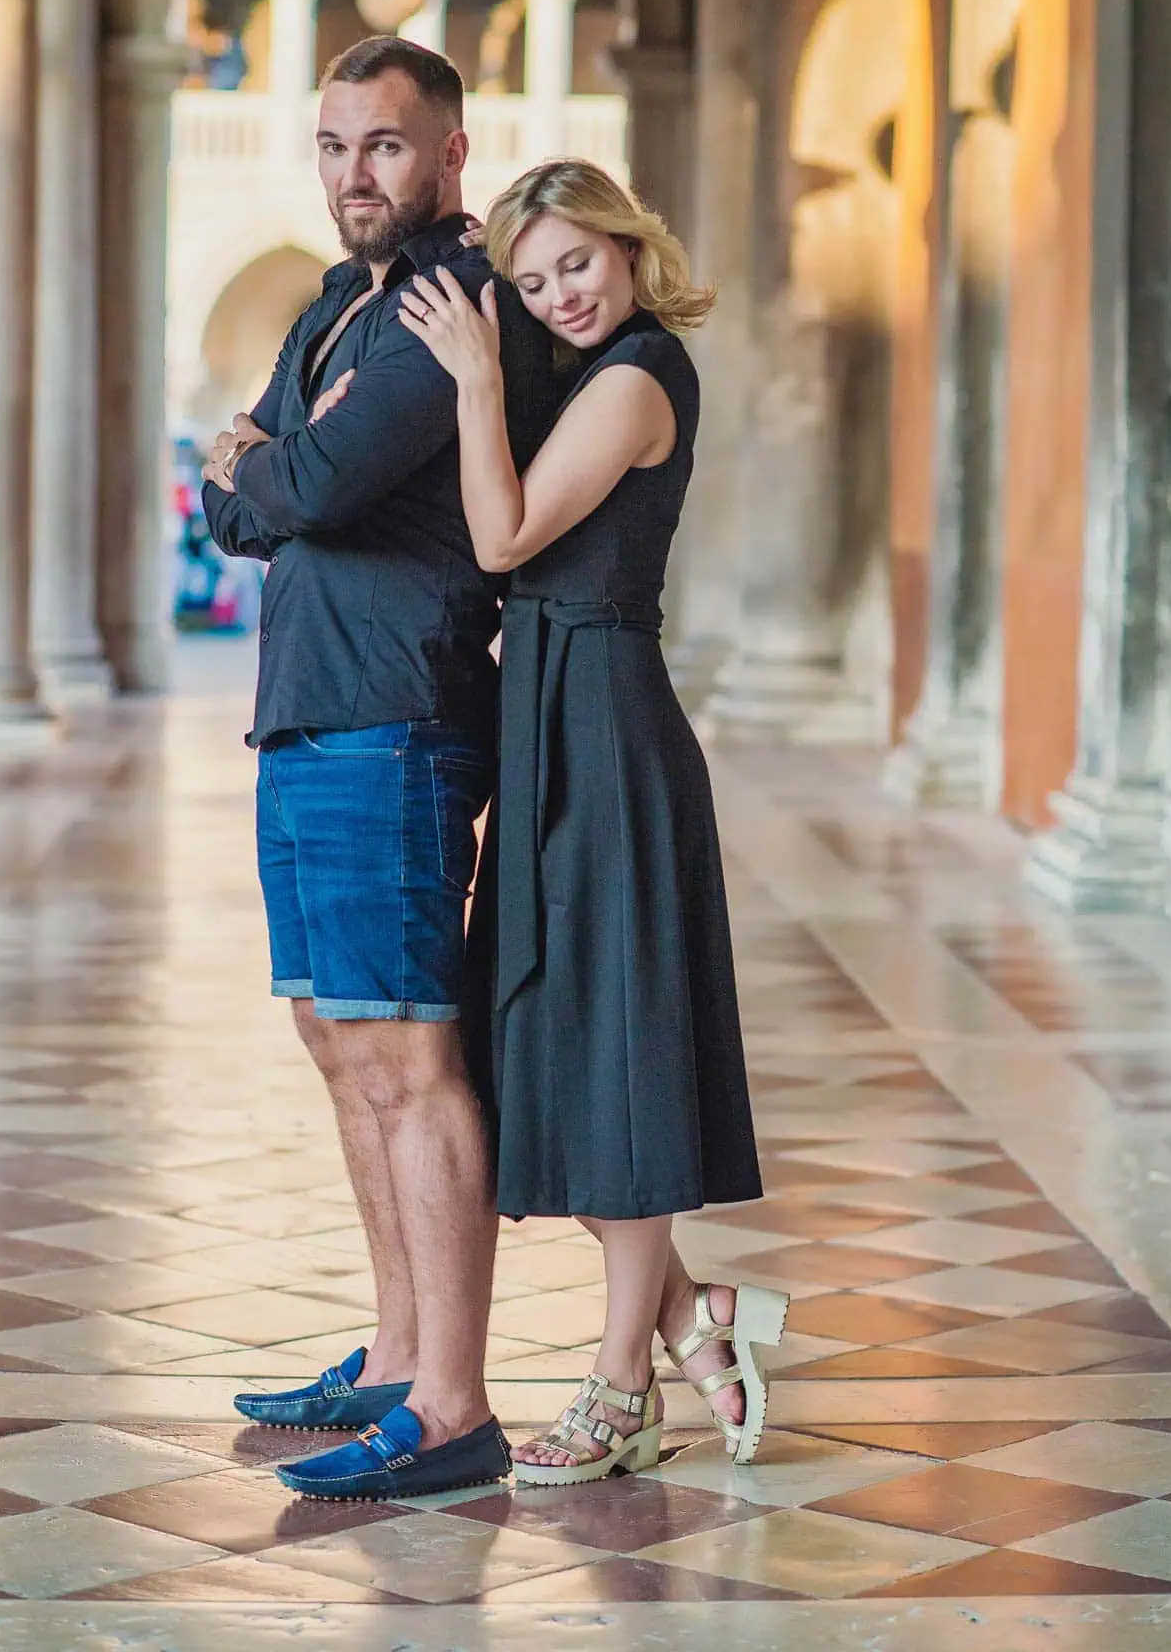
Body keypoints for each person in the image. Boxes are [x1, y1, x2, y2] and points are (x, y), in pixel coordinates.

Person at [391, 158, 789, 1486]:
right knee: (551, 1055)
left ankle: (626, 1387)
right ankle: (693, 1315)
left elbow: (501, 536)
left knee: (617, 1056)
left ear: (627, 247)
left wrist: (476, 376)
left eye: (580, 262)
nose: (561, 292)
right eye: (534, 278)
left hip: (608, 734)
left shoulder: (634, 377)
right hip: (558, 723)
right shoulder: (598, 371)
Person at [200, 38, 556, 1502]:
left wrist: (270, 468)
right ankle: (401, 1360)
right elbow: (243, 505)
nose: (356, 174)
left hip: (392, 722)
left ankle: (455, 1408)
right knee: (340, 1044)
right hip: (308, 714)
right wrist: (267, 472)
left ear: (451, 155)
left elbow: (303, 484)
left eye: (387, 146)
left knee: (407, 1057)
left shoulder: (446, 304)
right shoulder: (337, 304)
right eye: (337, 144)